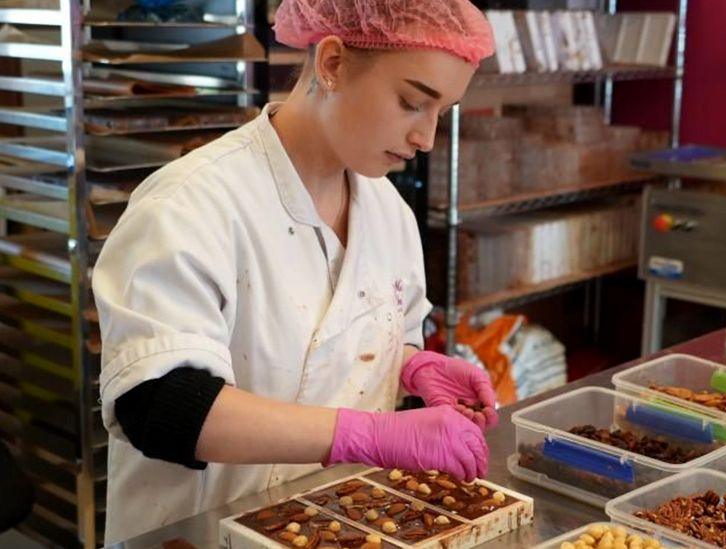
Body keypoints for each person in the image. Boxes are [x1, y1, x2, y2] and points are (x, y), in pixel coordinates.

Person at [92, 0, 497, 543]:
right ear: (331, 64)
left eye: (441, 111)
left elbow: (366, 338)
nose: (427, 138)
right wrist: (366, 435)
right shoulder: (190, 204)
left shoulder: (388, 212)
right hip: (193, 534)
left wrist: (413, 367)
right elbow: (159, 408)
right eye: (410, 103)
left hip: (327, 525)